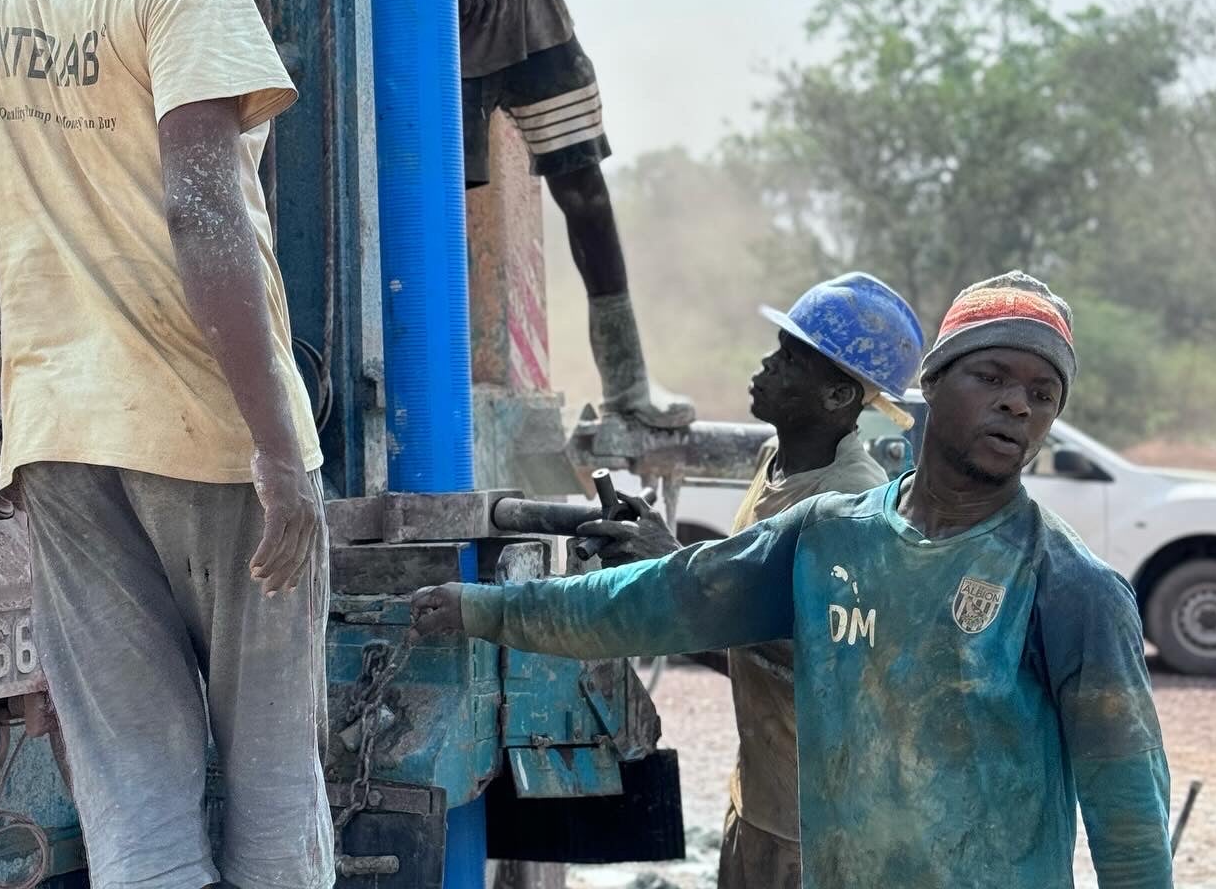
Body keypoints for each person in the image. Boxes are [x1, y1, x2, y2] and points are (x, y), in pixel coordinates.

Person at [0, 0, 334, 889]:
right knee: (274, 793)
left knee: (137, 807)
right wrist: (279, 452)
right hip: (210, 434)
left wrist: (71, 273)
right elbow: (206, 214)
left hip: (62, 442)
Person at [414, 272, 1174, 888]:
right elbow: (657, 600)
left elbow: (1129, 808)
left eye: (1043, 394)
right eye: (993, 375)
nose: (1019, 402)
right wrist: (488, 608)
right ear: (931, 388)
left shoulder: (1071, 588)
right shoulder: (829, 535)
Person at [583, 274, 924, 889]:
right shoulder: (779, 461)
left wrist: (680, 569)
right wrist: (653, 581)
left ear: (837, 396)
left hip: (823, 826)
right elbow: (746, 646)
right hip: (763, 796)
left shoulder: (851, 501)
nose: (766, 365)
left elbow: (838, 658)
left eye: (790, 359)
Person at [451, 0, 692, 428]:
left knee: (583, 186)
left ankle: (628, 383)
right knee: (442, 208)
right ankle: (434, 382)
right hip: (447, 12)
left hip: (525, 0)